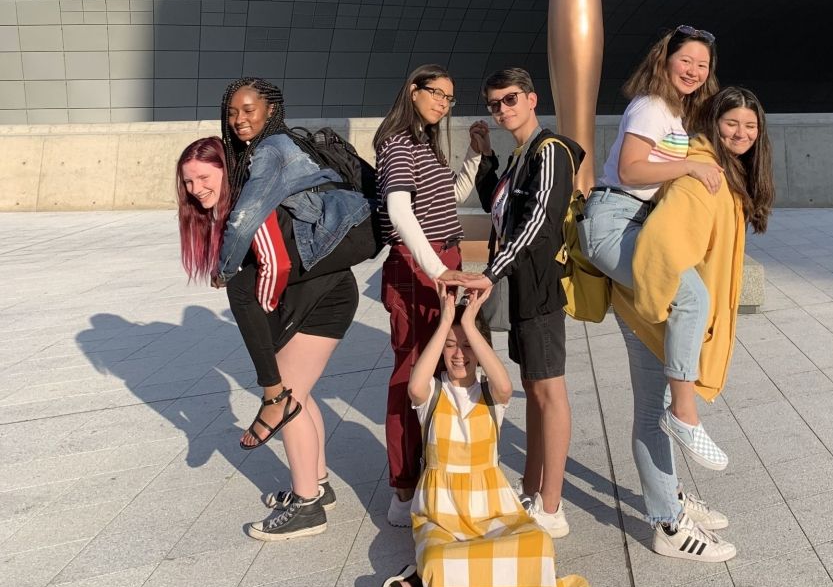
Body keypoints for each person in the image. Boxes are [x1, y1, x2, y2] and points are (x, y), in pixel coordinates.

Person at [187, 78, 374, 540]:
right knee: (299, 394)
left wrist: (226, 268)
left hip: (325, 287)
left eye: (248, 109)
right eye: (231, 112)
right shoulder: (265, 151)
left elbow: (249, 220)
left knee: (284, 394)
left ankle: (308, 505)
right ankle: (317, 484)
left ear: (271, 109)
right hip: (325, 284)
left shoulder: (270, 150)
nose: (239, 119)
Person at [379, 290, 609, 587]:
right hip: (443, 514)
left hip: (493, 511)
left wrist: (470, 324)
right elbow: (413, 386)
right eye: (451, 346)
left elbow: (505, 383)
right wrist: (445, 322)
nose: (459, 355)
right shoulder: (432, 393)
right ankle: (422, 579)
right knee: (441, 556)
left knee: (537, 544)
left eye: (468, 345)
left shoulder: (491, 396)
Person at [611, 86, 775, 562]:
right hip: (651, 308)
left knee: (654, 408)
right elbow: (660, 247)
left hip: (663, 309)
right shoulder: (701, 177)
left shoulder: (723, 173)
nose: (742, 133)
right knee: (653, 413)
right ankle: (668, 524)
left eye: (750, 126)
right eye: (732, 124)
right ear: (713, 126)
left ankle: (673, 500)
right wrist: (675, 307)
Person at [578, 26, 726, 468]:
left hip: (637, 224)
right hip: (613, 222)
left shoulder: (675, 115)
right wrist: (689, 169)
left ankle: (671, 501)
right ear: (665, 60)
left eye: (703, 65)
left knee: (656, 365)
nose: (695, 71)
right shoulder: (651, 106)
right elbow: (629, 170)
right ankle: (683, 413)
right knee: (691, 296)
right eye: (687, 61)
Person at [374, 65, 491, 528]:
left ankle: (435, 470)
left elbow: (450, 197)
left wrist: (475, 155)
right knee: (410, 374)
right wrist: (437, 268)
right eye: (436, 94)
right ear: (413, 91)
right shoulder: (399, 144)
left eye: (449, 98)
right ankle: (403, 489)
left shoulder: (424, 144)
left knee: (442, 367)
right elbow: (399, 210)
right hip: (417, 271)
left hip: (442, 265)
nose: (443, 103)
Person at [473, 68, 582, 538]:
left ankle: (552, 507)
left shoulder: (550, 150)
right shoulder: (519, 154)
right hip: (521, 288)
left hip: (538, 287)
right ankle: (534, 487)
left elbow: (539, 220)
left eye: (510, 99)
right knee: (534, 391)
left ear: (532, 98)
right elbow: (499, 211)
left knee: (548, 392)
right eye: (495, 103)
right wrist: (485, 158)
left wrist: (491, 272)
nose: (502, 109)